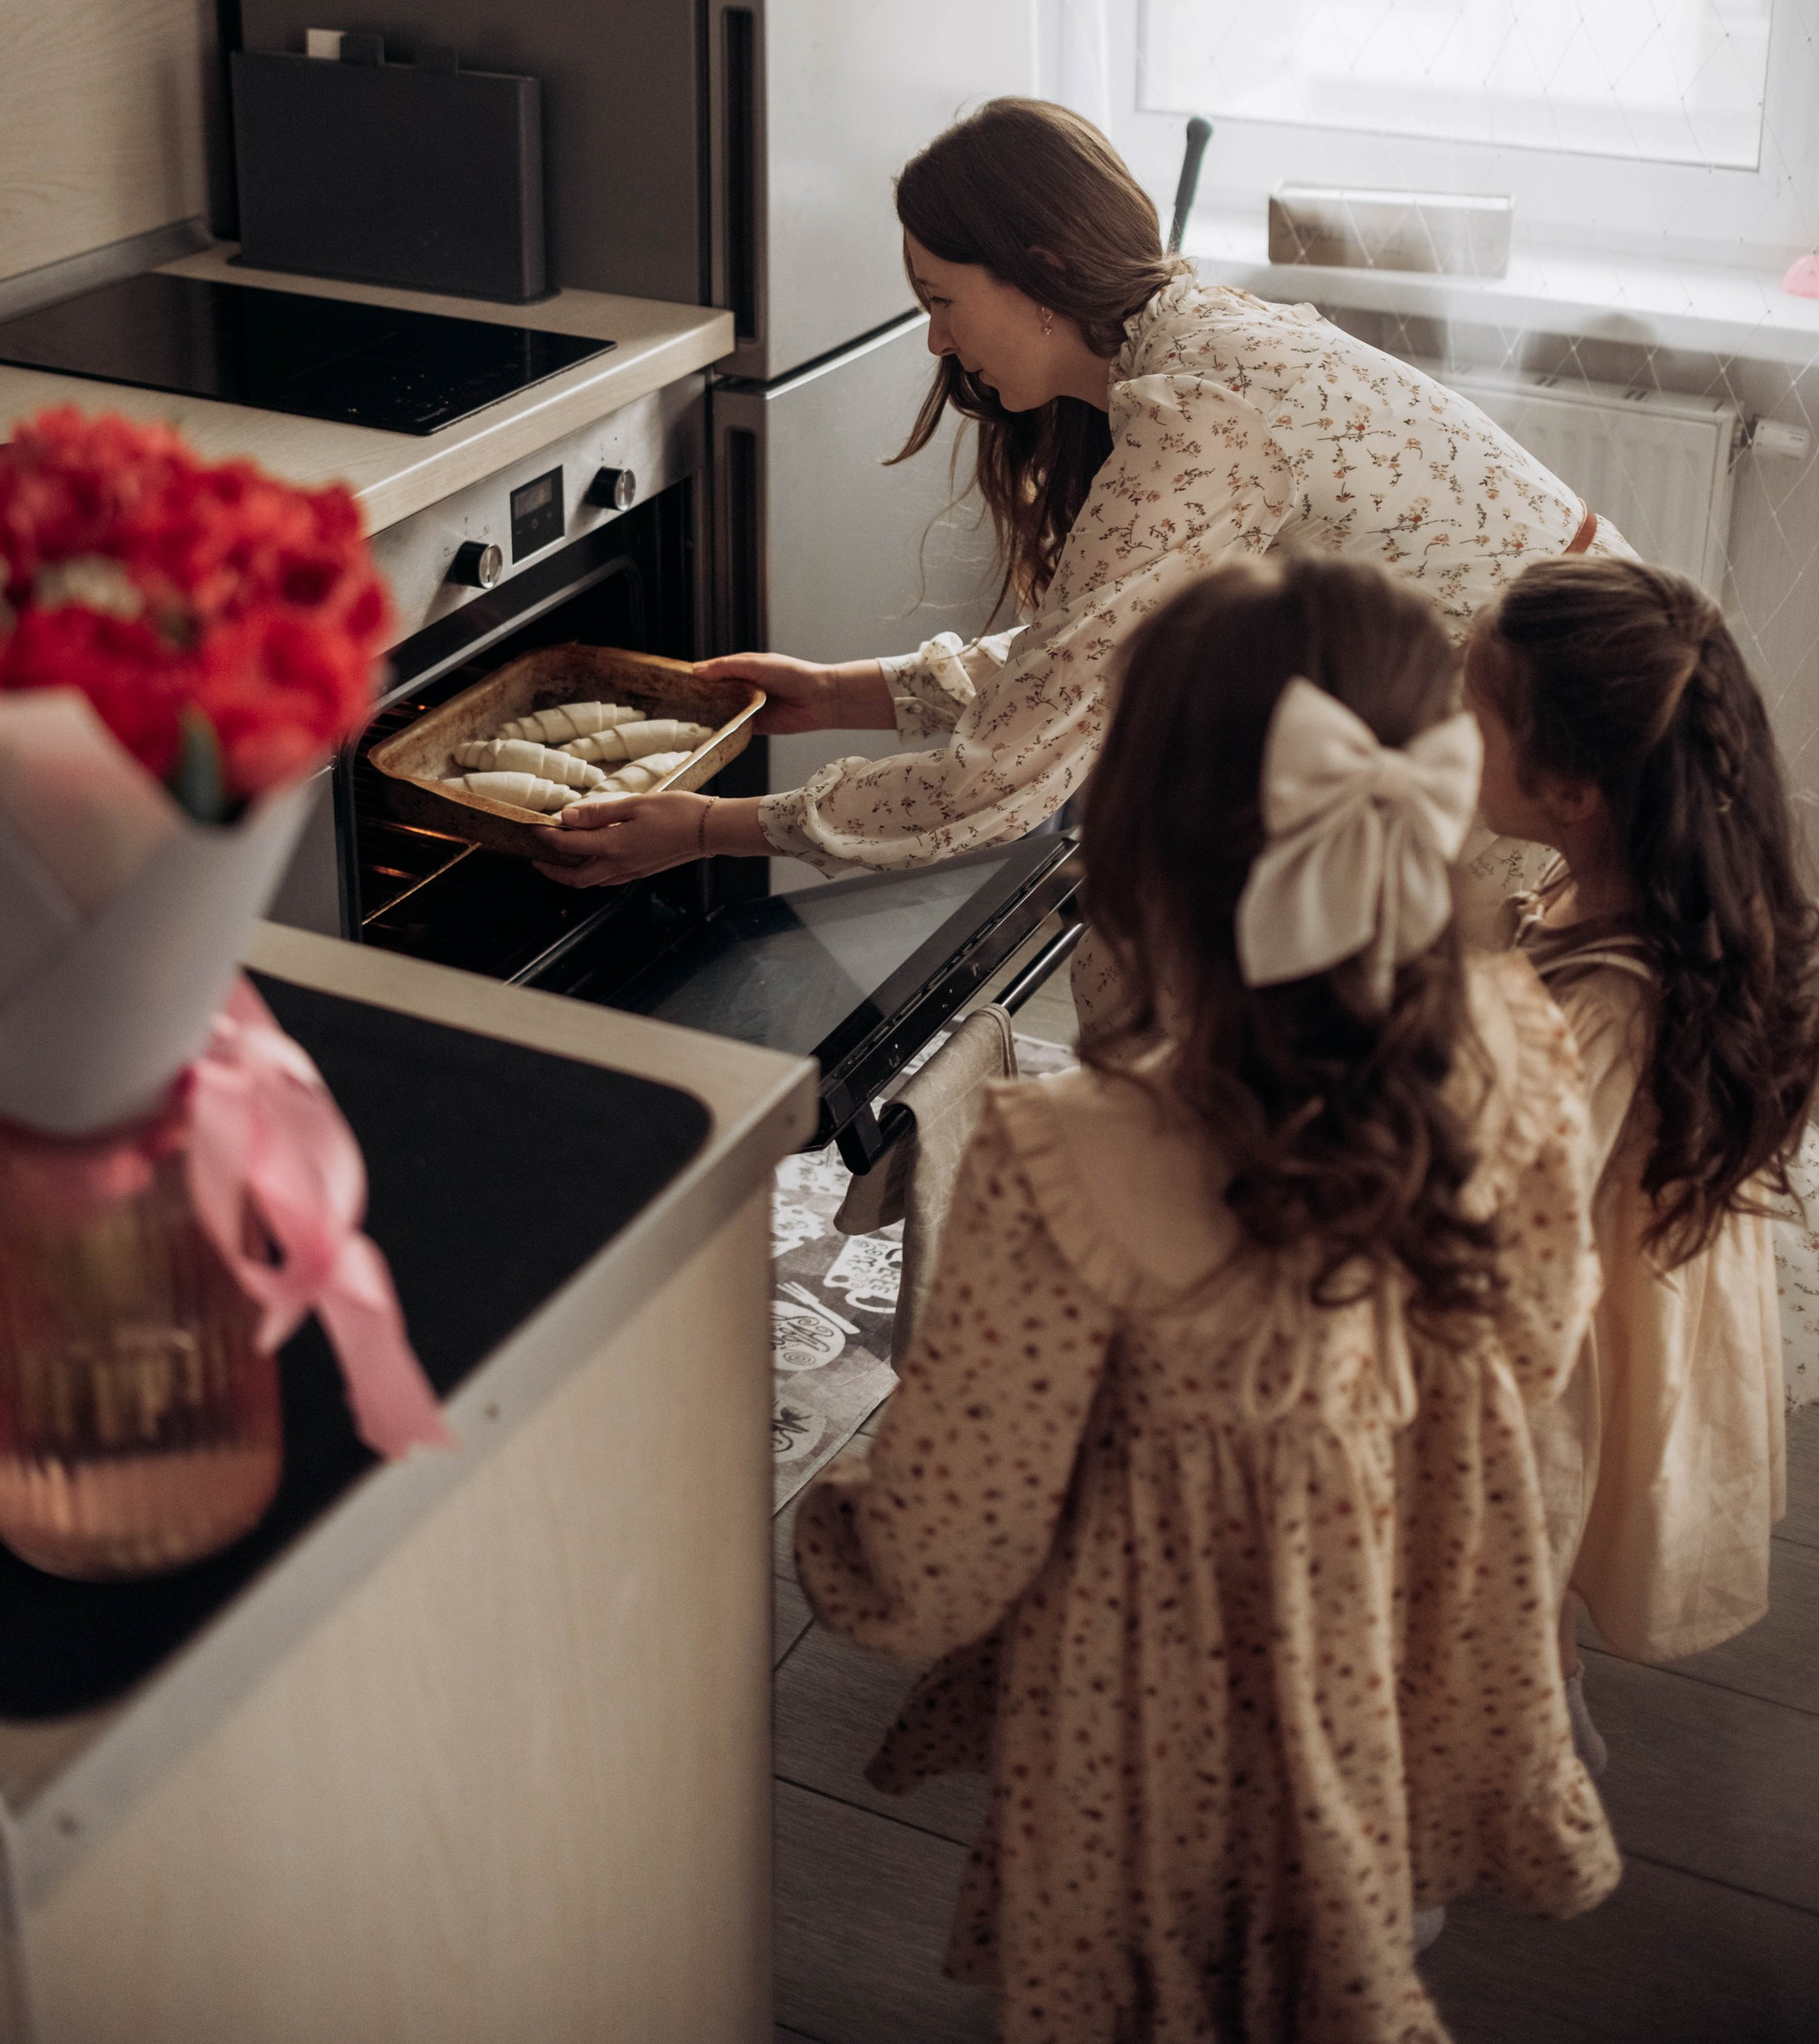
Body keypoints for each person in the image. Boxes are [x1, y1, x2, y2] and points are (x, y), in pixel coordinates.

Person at [792, 555, 1620, 2043]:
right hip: (1403, 1635)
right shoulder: (1526, 1045)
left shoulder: (1064, 1161)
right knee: (1339, 1943)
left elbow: (947, 1548)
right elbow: (1540, 1336)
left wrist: (828, 1527)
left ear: (1136, 840)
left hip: (1151, 1725)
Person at [534, 101, 1622, 940]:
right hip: (1539, 704)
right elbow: (1091, 651)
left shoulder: (1198, 415)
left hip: (1544, 741)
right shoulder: (1192, 338)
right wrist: (841, 694)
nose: (936, 341)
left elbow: (1004, 775)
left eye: (941, 299)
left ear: (1041, 274)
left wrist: (712, 830)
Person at [1463, 557, 1819, 1747]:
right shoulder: (1616, 886)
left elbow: (1501, 1223)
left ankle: (1520, 1771)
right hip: (1592, 1293)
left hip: (1543, 1350)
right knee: (1518, 1593)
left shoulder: (1606, 1010)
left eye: (1473, 721)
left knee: (1497, 1589)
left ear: (1570, 787)